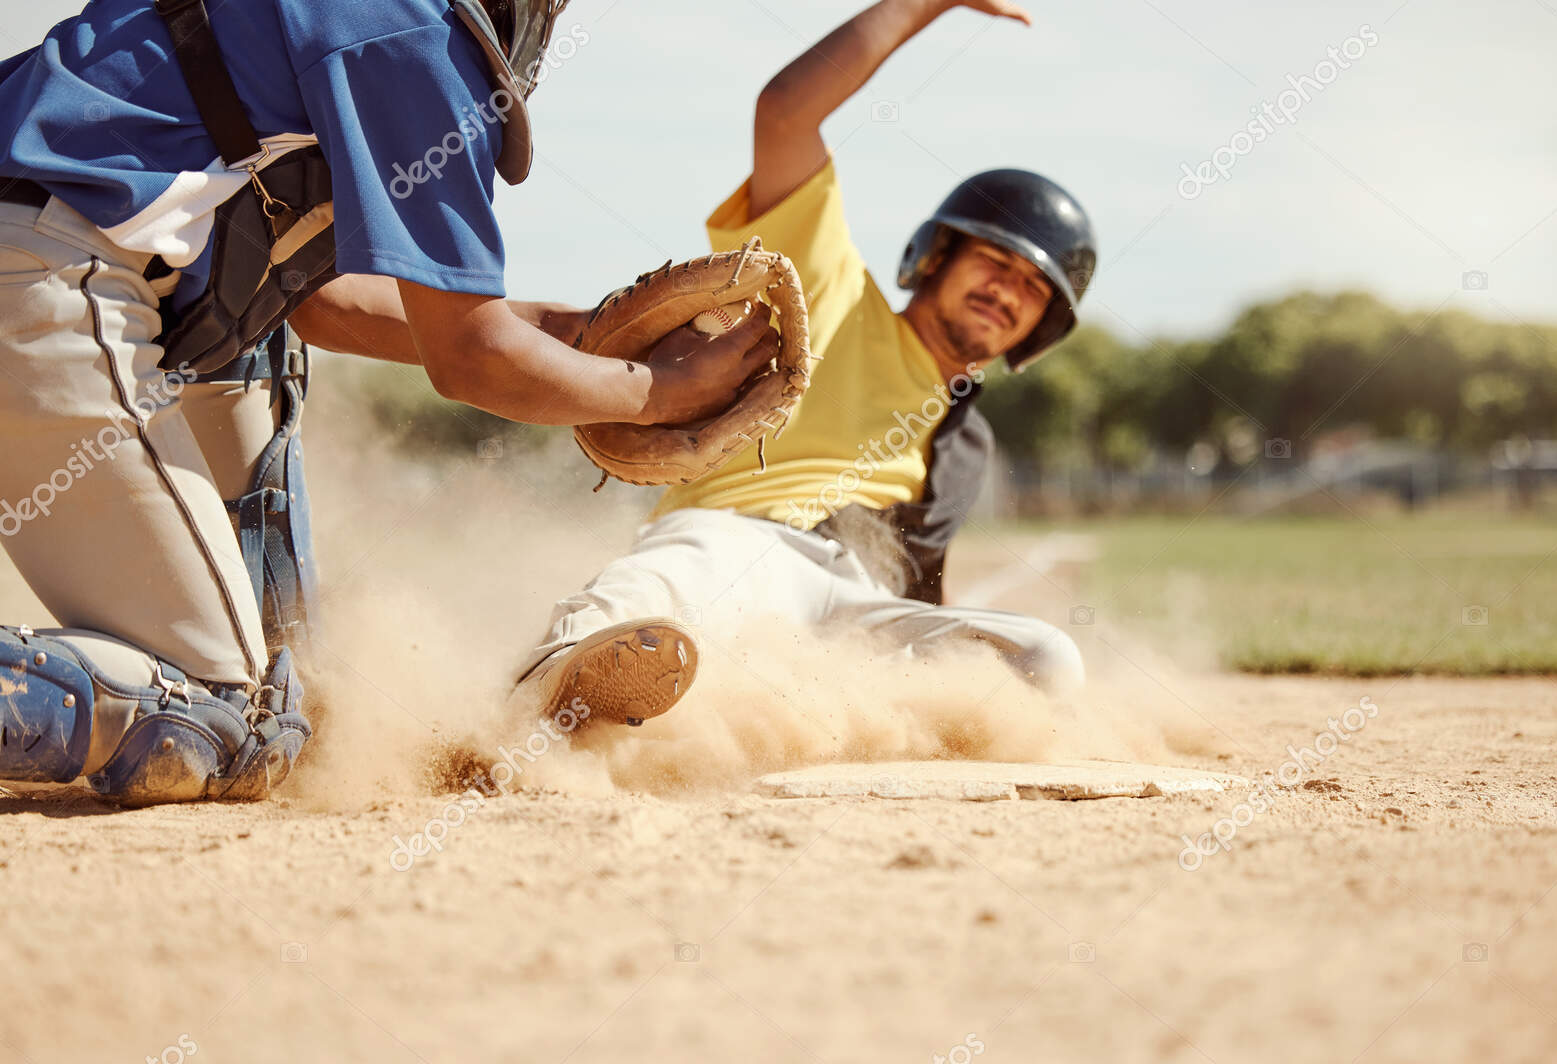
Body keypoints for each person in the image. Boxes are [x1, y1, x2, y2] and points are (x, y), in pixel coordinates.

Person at [0, 0, 778, 806]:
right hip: (42, 272)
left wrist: (580, 333)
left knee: (296, 690)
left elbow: (325, 302)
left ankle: (272, 674)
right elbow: (471, 356)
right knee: (224, 719)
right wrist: (655, 394)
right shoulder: (418, 36)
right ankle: (213, 681)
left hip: (63, 258)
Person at [514, 0, 1098, 728]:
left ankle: (813, 720)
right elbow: (785, 113)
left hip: (855, 610)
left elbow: (921, 590)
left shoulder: (966, 442)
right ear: (937, 255)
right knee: (678, 576)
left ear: (1040, 326)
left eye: (1033, 288)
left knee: (1046, 658)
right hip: (743, 542)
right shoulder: (832, 291)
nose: (1007, 292)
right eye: (996, 262)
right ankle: (549, 691)